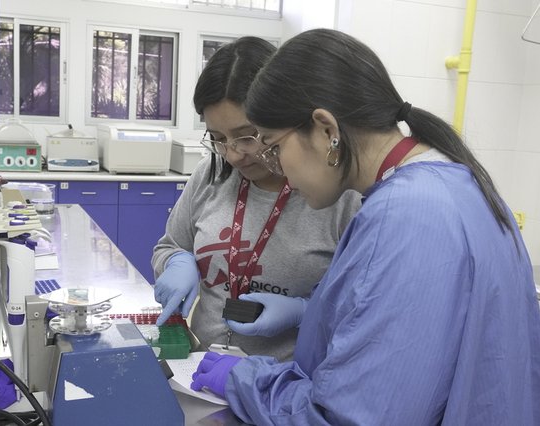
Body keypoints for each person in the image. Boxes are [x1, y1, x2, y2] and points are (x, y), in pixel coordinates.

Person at [190, 28, 540, 425]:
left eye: (273, 147)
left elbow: (353, 416)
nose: (277, 169)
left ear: (326, 130)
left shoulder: (405, 216)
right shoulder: (458, 184)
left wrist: (247, 379)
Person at [151, 36, 361, 361]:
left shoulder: (338, 196)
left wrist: (305, 311)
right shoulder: (211, 173)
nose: (233, 154)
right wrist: (177, 262)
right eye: (219, 139)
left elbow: (360, 307)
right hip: (205, 369)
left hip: (285, 389)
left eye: (247, 135)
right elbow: (169, 247)